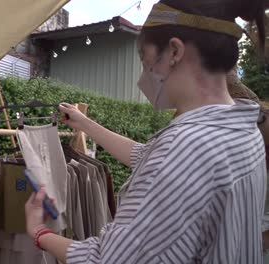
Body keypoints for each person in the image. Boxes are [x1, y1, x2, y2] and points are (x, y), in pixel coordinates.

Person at [25, 0, 268, 263]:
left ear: (174, 51)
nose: (143, 74)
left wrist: (39, 232)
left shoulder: (184, 148)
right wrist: (84, 123)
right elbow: (145, 156)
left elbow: (110, 260)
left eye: (144, 59)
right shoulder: (243, 128)